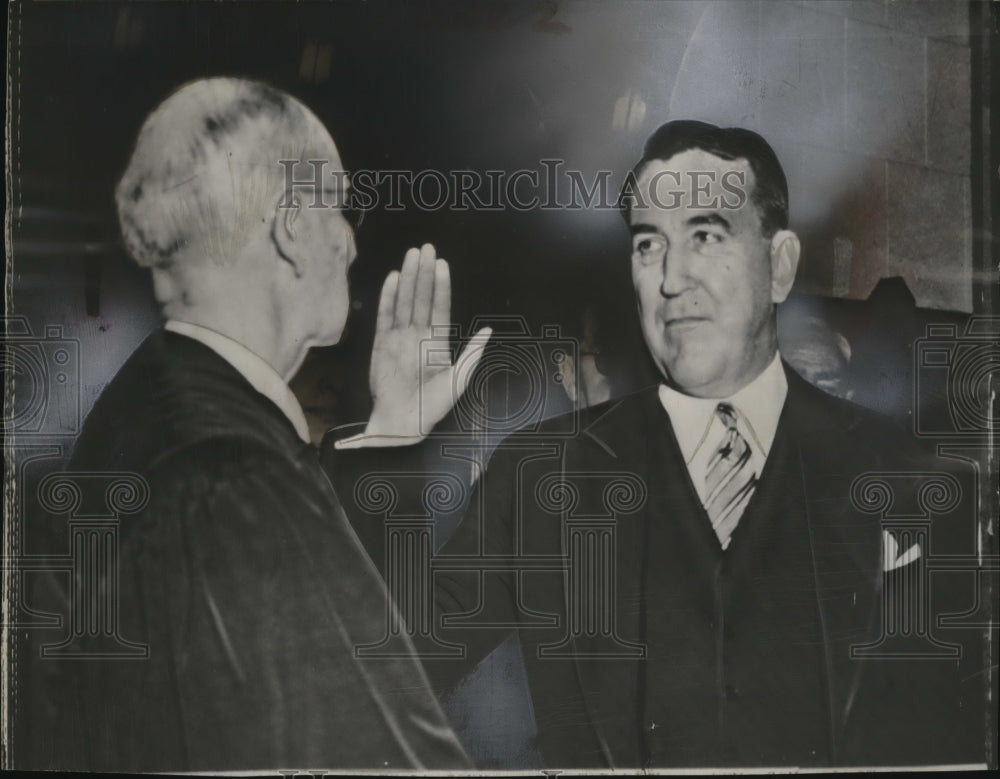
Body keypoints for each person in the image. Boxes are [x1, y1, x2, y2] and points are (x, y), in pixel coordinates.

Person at [325, 120, 982, 768]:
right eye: (648, 245)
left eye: (706, 235)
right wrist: (391, 435)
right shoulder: (542, 476)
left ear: (779, 266)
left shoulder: (900, 476)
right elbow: (383, 671)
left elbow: (934, 737)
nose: (672, 278)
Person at [34, 77, 486, 772]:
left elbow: (330, 676)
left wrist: (391, 432)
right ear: (293, 229)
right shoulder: (227, 477)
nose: (352, 245)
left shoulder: (156, 409)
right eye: (342, 211)